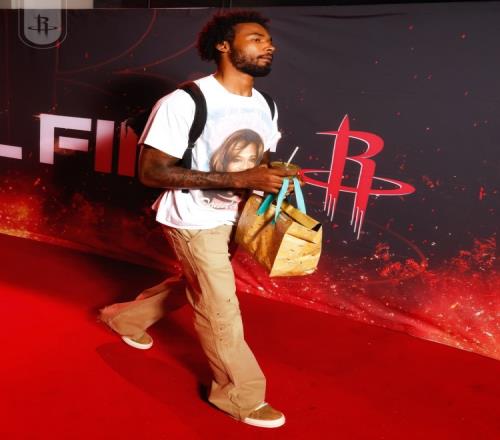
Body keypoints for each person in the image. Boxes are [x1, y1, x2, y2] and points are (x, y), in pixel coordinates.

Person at [100, 10, 297, 428]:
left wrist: (272, 176)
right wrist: (240, 178)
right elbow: (151, 172)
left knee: (199, 284)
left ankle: (124, 318)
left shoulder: (266, 104)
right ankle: (238, 396)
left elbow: (260, 160)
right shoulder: (185, 101)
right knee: (219, 304)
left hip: (236, 217)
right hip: (192, 216)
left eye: (268, 40)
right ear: (224, 46)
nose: (269, 46)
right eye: (256, 38)